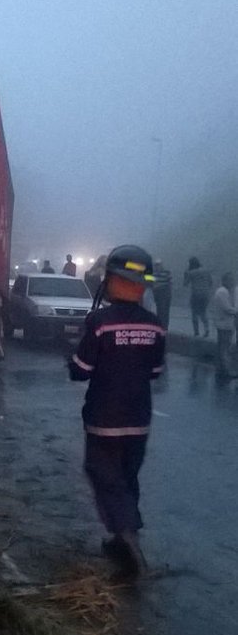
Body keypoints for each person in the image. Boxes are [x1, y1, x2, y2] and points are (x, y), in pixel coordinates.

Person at [69, 244, 165, 576]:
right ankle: (120, 539)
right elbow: (155, 372)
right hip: (139, 420)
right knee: (126, 478)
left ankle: (128, 536)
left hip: (103, 419)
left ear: (111, 280)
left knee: (104, 475)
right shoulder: (155, 325)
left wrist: (74, 355)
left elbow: (80, 369)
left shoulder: (99, 322)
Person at [211, 273, 238, 380]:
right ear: (225, 281)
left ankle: (220, 368)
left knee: (221, 346)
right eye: (231, 280)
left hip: (224, 323)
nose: (233, 283)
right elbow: (227, 308)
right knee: (224, 348)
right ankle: (226, 371)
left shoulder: (225, 291)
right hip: (224, 323)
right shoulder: (222, 292)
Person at [183, 257, 212, 338]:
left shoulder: (191, 272)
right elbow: (210, 283)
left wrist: (185, 274)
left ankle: (196, 332)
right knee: (203, 312)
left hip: (196, 295)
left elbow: (185, 284)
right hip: (206, 295)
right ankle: (207, 329)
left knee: (194, 313)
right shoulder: (206, 271)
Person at [152, 260, 172, 331]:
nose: (157, 267)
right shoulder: (152, 274)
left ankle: (165, 327)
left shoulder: (167, 272)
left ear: (161, 265)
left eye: (159, 265)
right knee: (160, 310)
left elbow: (170, 283)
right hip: (158, 293)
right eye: (156, 265)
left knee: (165, 310)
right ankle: (161, 326)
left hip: (165, 293)